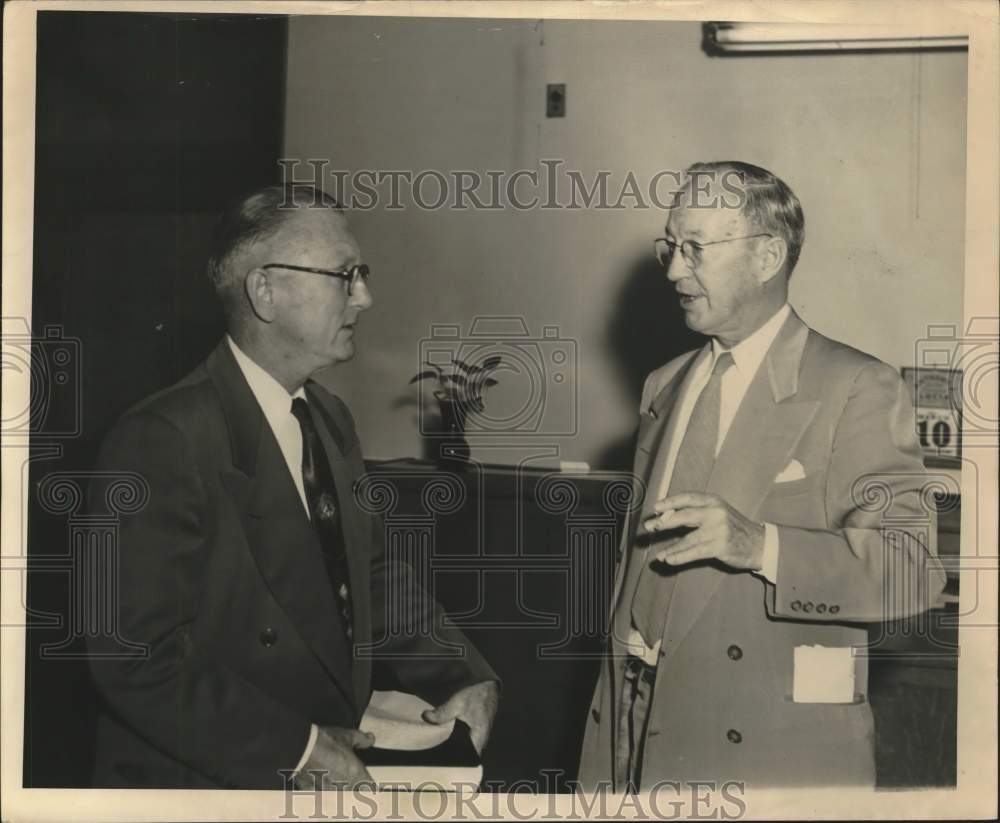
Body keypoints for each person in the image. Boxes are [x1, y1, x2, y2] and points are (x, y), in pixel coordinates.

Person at [86, 184, 499, 789]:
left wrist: (463, 674)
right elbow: (136, 657)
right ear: (265, 291)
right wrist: (300, 749)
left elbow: (371, 577)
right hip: (211, 783)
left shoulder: (327, 416)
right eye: (344, 275)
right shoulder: (164, 438)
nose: (366, 296)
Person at [578, 162, 946, 791]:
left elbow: (911, 572)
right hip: (633, 724)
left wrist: (762, 546)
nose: (672, 270)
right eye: (670, 246)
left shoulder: (856, 386)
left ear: (767, 255)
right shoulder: (663, 386)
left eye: (696, 248)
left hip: (763, 750)